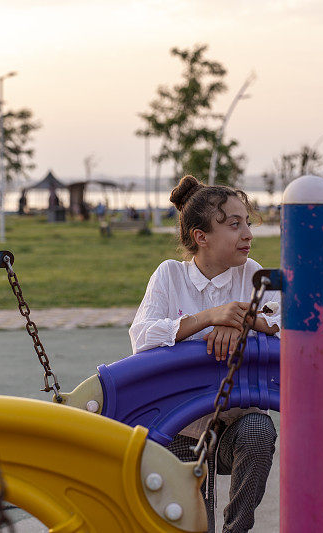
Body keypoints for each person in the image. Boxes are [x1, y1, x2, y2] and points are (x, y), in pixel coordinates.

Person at [129, 175, 280, 533]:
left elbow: (284, 319)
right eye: (234, 225)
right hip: (180, 428)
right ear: (202, 237)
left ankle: (237, 528)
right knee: (194, 521)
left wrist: (243, 320)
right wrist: (208, 318)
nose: (248, 233)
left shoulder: (252, 274)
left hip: (236, 427)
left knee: (260, 430)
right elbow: (143, 338)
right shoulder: (170, 276)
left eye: (247, 222)